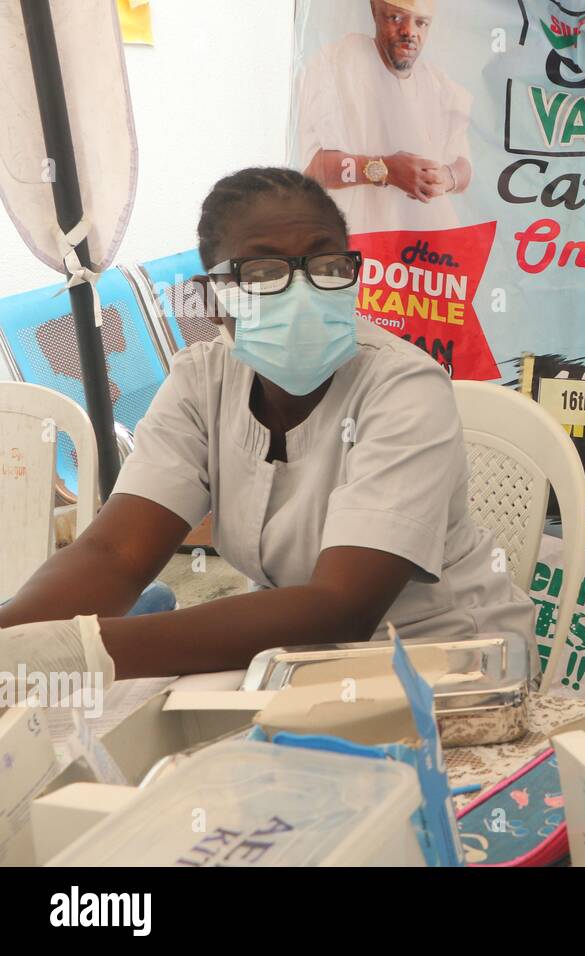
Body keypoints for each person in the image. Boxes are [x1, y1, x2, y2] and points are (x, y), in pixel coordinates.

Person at [0, 167, 534, 685]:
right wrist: (14, 638)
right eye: (261, 273)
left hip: (447, 661)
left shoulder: (402, 387)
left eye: (325, 265)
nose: (301, 293)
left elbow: (340, 609)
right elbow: (113, 555)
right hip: (295, 661)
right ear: (211, 299)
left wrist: (80, 652)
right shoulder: (201, 383)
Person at [296, 0, 473, 234]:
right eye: (396, 18)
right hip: (359, 249)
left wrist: (446, 178)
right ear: (375, 12)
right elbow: (313, 168)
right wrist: (384, 169)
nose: (410, 32)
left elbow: (463, 166)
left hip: (429, 254)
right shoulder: (339, 63)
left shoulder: (438, 84)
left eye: (421, 23)